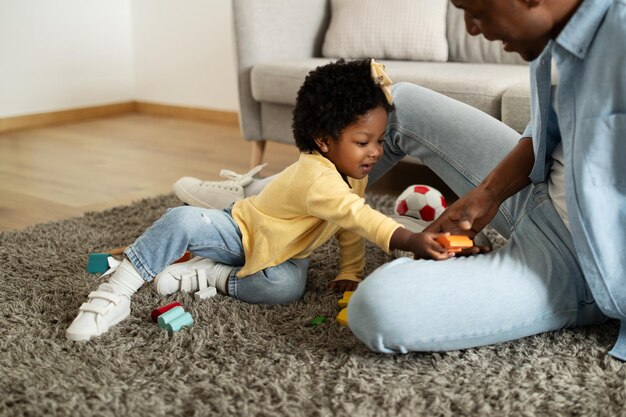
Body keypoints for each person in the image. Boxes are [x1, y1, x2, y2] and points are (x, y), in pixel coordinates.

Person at [171, 0, 626, 360]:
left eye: (475, 10)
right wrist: (486, 194)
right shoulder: (565, 32)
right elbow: (552, 127)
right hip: (537, 185)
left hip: (577, 257)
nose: (470, 28)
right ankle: (270, 202)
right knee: (397, 105)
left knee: (379, 309)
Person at [66, 58, 468, 342]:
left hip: (286, 251)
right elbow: (361, 219)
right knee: (181, 220)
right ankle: (116, 292)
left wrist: (351, 270)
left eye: (380, 141)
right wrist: (410, 240)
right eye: (363, 142)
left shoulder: (353, 174)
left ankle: (211, 275)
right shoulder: (317, 177)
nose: (376, 153)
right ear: (323, 141)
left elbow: (348, 226)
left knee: (285, 288)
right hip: (244, 230)